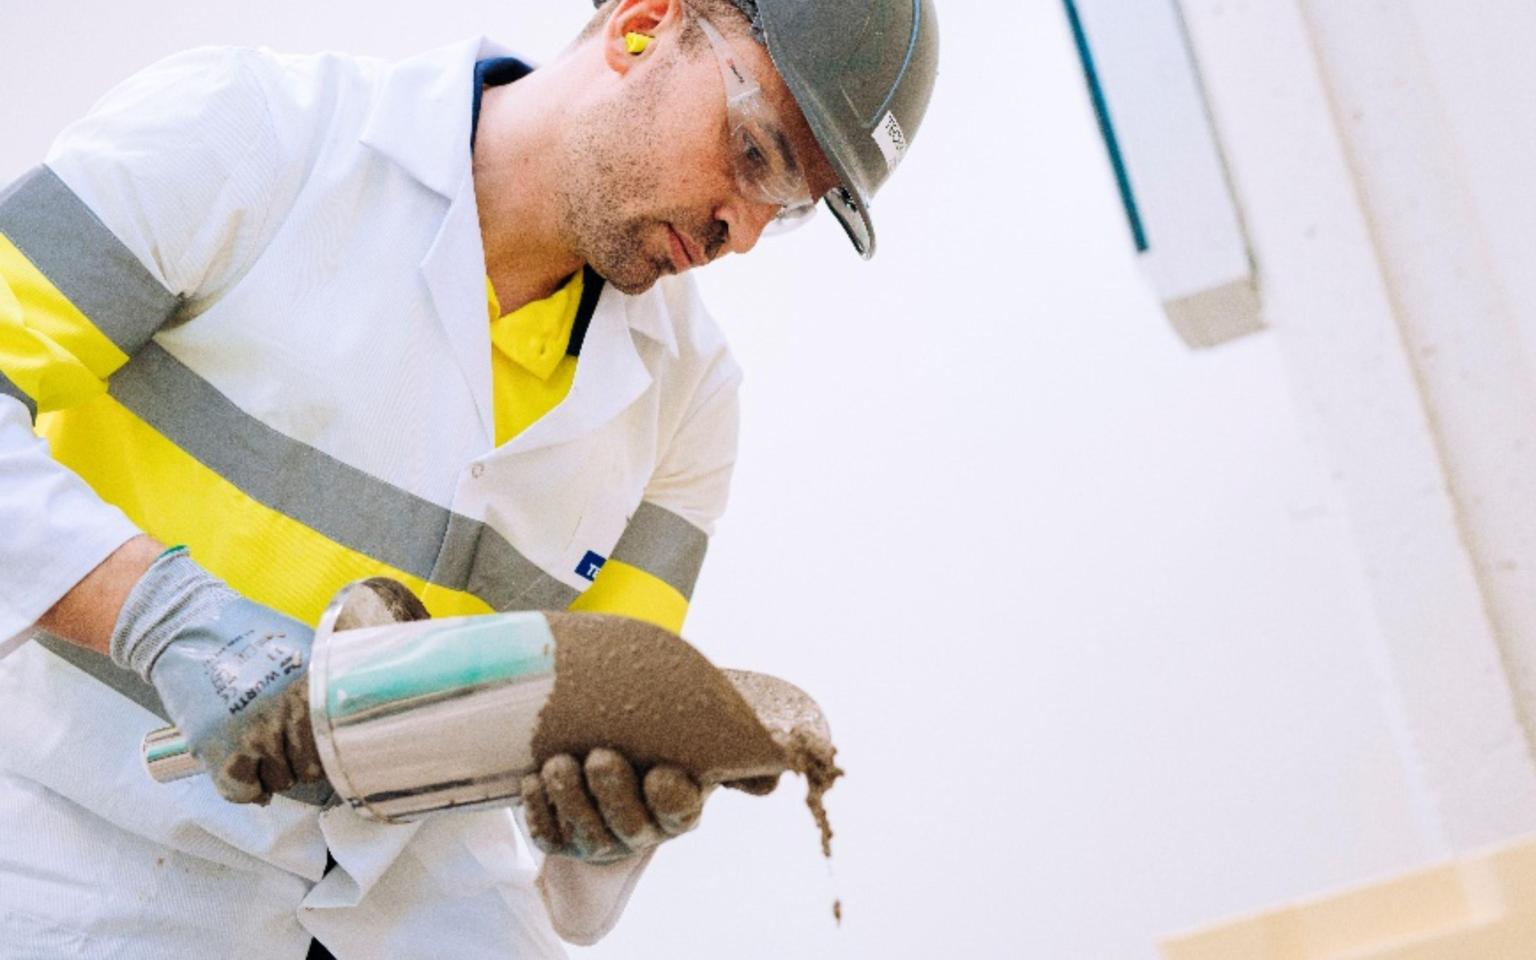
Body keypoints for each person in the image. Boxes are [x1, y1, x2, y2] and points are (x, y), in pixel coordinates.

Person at [0, 0, 937, 954]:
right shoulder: (251, 135)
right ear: (643, 28)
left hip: (412, 907)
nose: (740, 232)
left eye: (788, 207)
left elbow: (582, 736)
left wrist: (607, 823)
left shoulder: (689, 400)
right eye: (753, 154)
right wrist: (162, 618)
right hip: (78, 857)